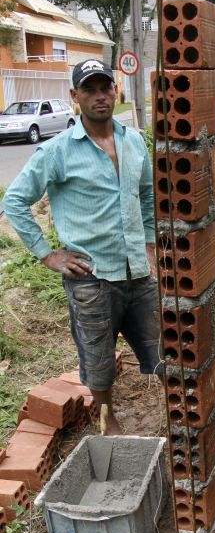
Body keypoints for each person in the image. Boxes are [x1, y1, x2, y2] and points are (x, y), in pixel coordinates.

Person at [3, 59, 162, 435]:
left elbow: (146, 195)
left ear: (115, 91)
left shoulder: (133, 141)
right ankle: (108, 422)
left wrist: (150, 246)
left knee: (161, 350)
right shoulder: (56, 151)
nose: (99, 96)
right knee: (98, 361)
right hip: (92, 277)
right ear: (75, 96)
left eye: (105, 87)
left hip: (139, 272)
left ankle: (177, 416)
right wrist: (47, 254)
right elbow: (15, 200)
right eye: (89, 90)